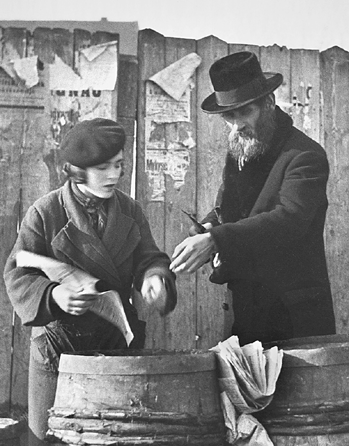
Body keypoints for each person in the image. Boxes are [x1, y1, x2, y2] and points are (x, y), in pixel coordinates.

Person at [4, 118, 177, 445]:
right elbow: (17, 271)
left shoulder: (130, 211)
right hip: (59, 348)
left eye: (119, 165)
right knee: (50, 437)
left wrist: (154, 277)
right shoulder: (45, 213)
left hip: (115, 343)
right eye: (103, 168)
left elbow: (148, 257)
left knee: (115, 436)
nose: (114, 175)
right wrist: (54, 295)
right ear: (77, 171)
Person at [170, 51, 335, 346]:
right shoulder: (242, 149)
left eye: (244, 112)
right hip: (248, 312)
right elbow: (226, 210)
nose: (236, 126)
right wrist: (209, 228)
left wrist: (218, 239)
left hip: (296, 318)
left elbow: (289, 219)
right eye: (228, 116)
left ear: (268, 103)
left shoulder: (304, 155)